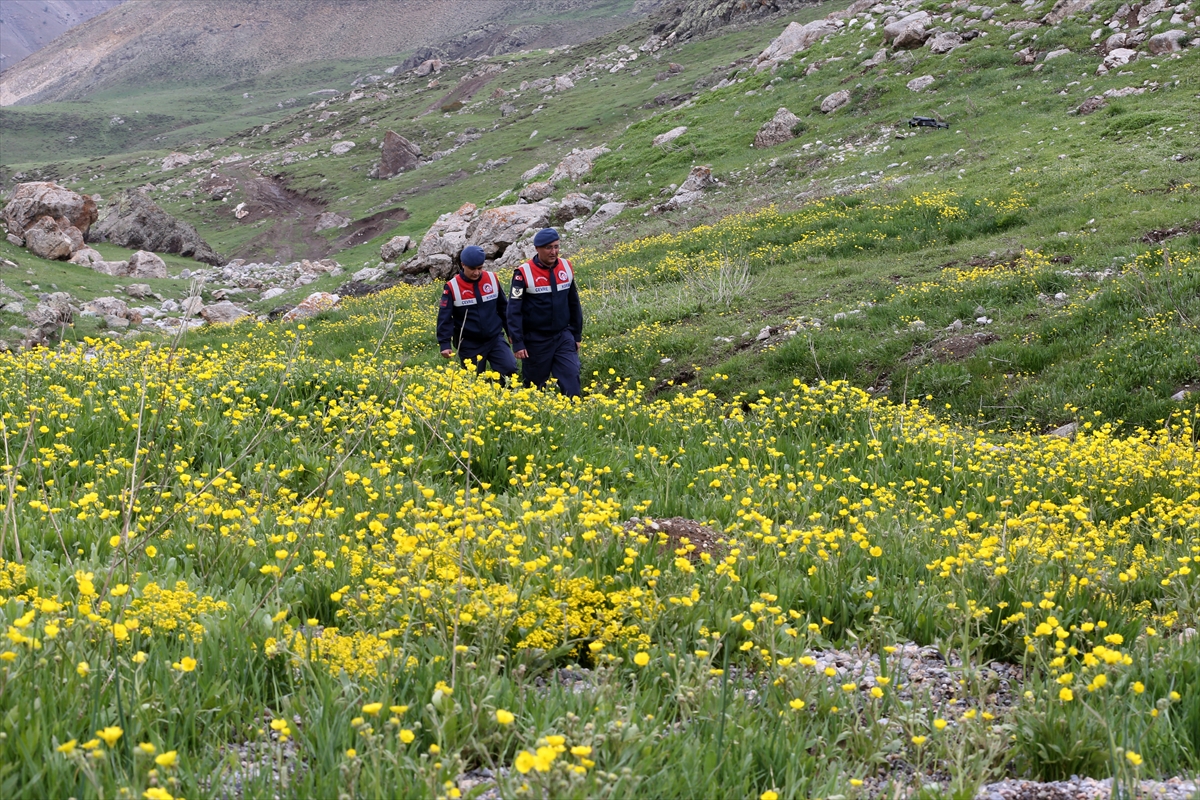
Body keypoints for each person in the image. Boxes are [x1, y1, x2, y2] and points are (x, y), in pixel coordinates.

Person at [507, 228, 582, 397]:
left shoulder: (566, 266)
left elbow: (574, 303)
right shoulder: (522, 273)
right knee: (535, 387)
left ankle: (572, 418)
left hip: (563, 336)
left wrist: (576, 335)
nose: (554, 252)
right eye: (548, 248)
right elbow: (513, 310)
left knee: (572, 377)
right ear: (537, 248)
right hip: (535, 340)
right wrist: (518, 342)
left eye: (556, 247)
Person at [437, 245, 518, 382]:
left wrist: (511, 332)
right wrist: (444, 343)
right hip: (469, 343)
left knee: (509, 369)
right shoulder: (452, 287)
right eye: (472, 269)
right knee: (473, 381)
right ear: (463, 265)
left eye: (479, 268)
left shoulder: (492, 279)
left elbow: (504, 308)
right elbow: (445, 317)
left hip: (494, 338)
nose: (476, 273)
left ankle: (504, 397)